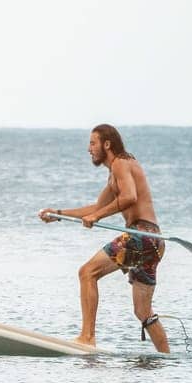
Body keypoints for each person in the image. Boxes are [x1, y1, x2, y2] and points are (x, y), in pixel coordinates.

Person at [38, 124, 170, 353]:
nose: (89, 149)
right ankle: (167, 357)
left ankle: (87, 337)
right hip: (154, 242)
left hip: (141, 236)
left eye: (92, 143)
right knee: (143, 312)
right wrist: (57, 214)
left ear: (106, 144)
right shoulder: (116, 172)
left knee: (87, 272)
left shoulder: (120, 163)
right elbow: (97, 206)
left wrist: (97, 216)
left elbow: (129, 197)